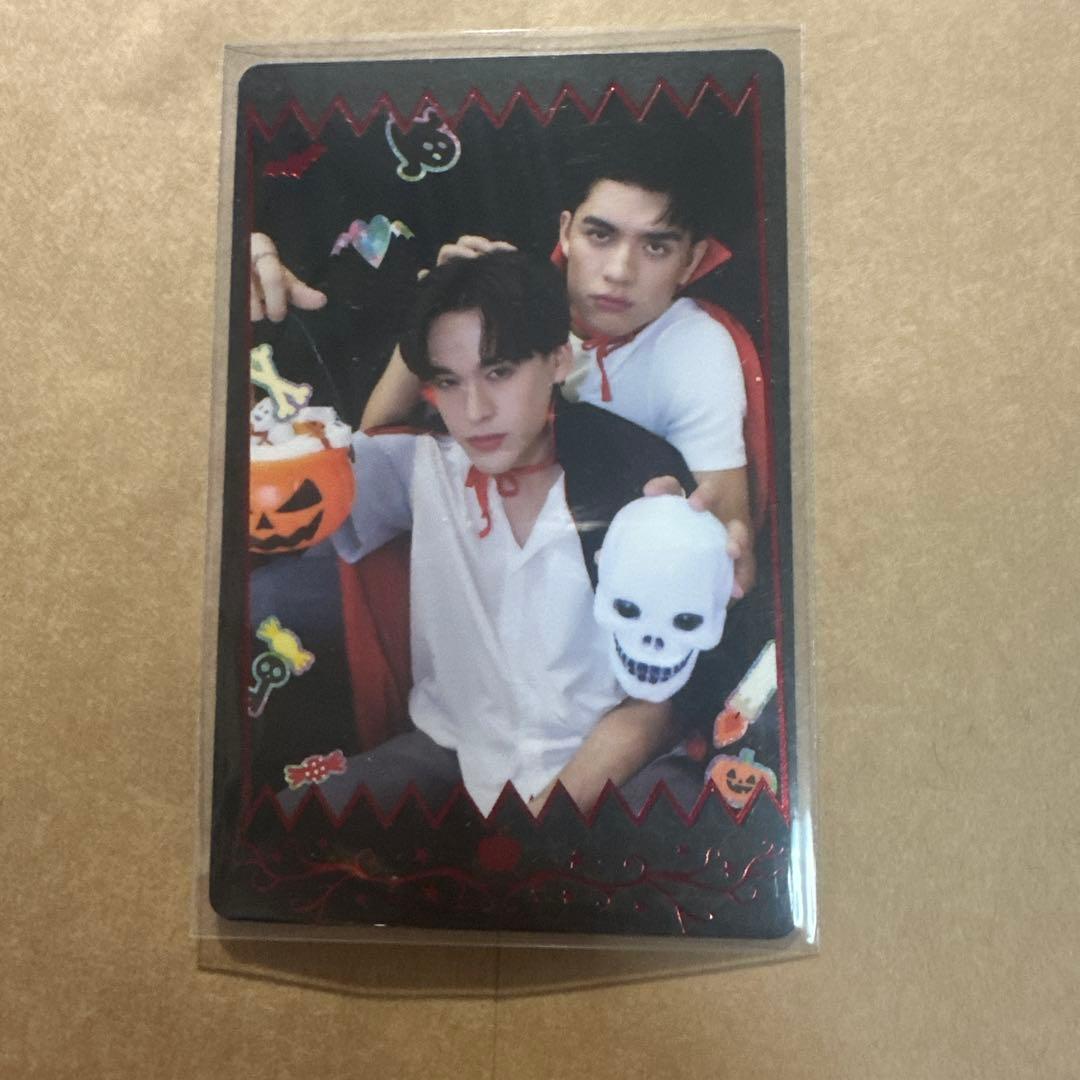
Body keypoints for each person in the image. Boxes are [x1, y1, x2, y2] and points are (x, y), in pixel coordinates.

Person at [275, 250, 715, 820]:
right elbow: (296, 488)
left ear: (559, 359)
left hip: (605, 768)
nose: (474, 410)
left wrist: (536, 828)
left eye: (499, 372)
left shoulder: (635, 481)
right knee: (288, 826)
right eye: (448, 381)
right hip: (453, 754)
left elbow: (655, 704)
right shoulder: (418, 465)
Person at [250, 140, 761, 598]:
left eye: (655, 247)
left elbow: (726, 536)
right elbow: (377, 453)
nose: (618, 271)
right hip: (458, 567)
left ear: (691, 260)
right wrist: (439, 311)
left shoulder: (695, 349)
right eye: (600, 235)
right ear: (566, 231)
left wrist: (720, 552)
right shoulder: (513, 296)